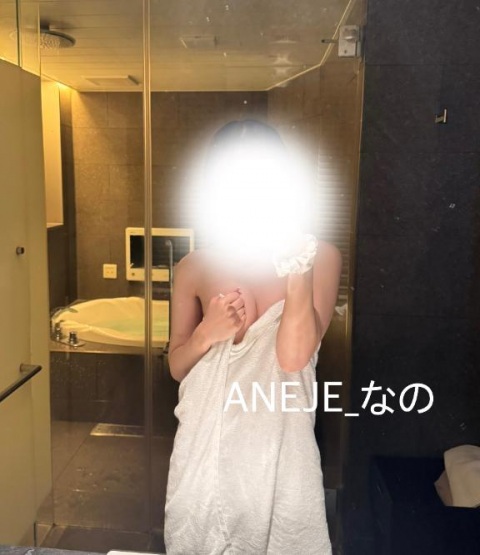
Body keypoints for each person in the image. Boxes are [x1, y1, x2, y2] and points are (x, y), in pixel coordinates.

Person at [164, 119, 342, 554]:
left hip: (282, 452)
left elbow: (295, 358)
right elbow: (176, 366)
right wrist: (207, 333)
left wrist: (296, 264)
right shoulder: (194, 267)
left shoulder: (319, 256)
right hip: (206, 454)